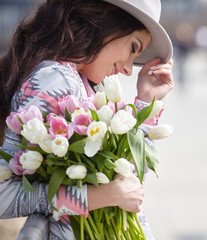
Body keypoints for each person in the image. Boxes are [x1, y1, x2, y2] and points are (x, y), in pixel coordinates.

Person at [0, 0, 174, 239]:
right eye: (133, 48)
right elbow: (3, 196)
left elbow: (128, 182)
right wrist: (101, 197)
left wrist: (146, 102)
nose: (128, 69)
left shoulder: (82, 84)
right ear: (105, 19)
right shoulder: (55, 78)